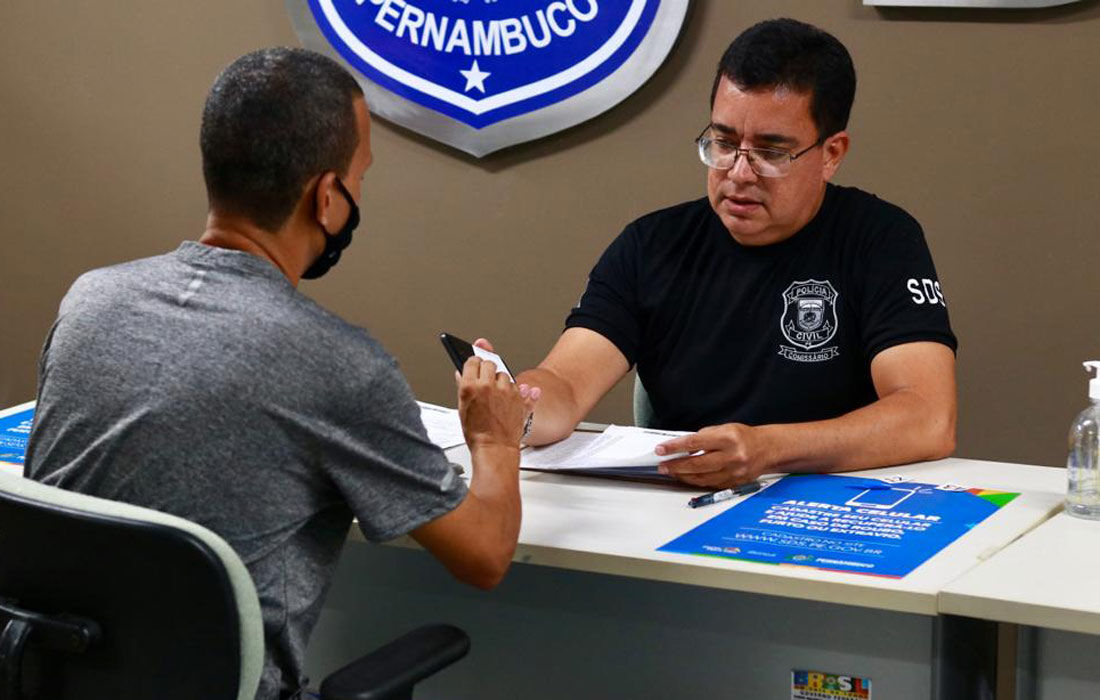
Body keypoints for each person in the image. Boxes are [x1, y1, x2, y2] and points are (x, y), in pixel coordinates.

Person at [25, 48, 535, 700]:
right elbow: (487, 556)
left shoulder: (88, 302)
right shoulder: (336, 363)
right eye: (359, 180)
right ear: (327, 197)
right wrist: (495, 440)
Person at [487, 18, 956, 489]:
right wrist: (519, 408)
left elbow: (927, 417)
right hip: (678, 500)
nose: (738, 172)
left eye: (772, 152)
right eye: (724, 143)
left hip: (827, 502)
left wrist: (769, 448)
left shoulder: (881, 239)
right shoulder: (652, 245)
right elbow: (564, 384)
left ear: (832, 153)